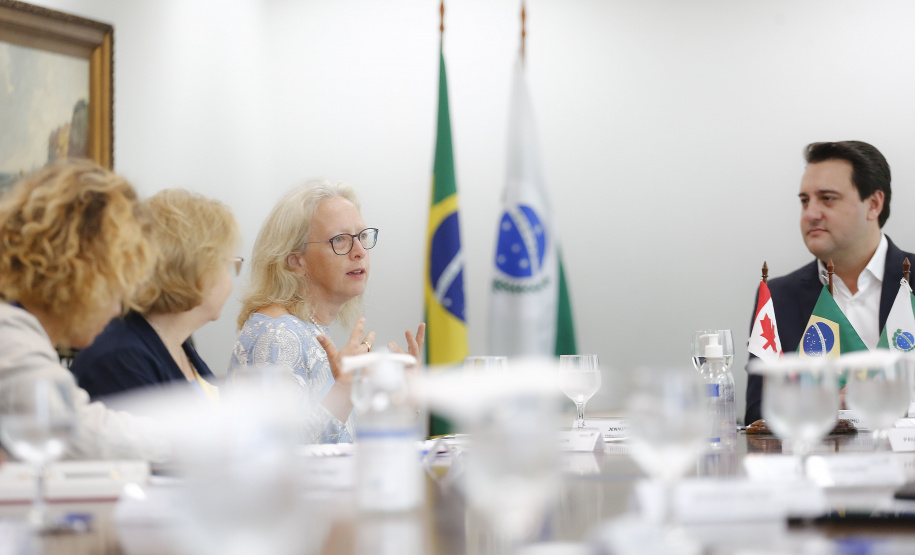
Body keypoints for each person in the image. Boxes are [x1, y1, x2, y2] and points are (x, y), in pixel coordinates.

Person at [230, 179, 425, 444]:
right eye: (340, 240)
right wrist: (343, 391)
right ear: (296, 261)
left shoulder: (306, 328)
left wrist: (404, 398)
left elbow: (345, 442)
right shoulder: (279, 334)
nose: (359, 252)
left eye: (362, 237)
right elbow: (276, 451)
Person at [0, 160, 169, 461]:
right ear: (80, 275)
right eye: (115, 288)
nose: (118, 309)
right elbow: (72, 432)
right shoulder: (9, 334)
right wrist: (192, 438)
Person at [745, 141, 915, 424]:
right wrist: (828, 403)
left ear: (873, 204)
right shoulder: (777, 296)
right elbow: (756, 418)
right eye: (804, 201)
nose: (811, 214)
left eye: (827, 198)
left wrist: (896, 401)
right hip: (817, 463)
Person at [70, 189, 241, 403]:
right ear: (192, 269)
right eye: (226, 264)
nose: (230, 278)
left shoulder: (176, 342)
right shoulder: (120, 358)